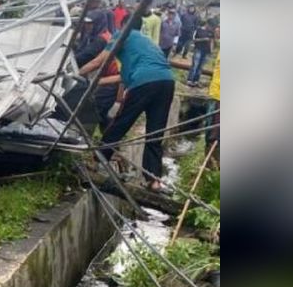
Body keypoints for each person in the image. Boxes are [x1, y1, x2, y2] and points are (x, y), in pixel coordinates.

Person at [79, 18, 175, 191]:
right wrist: (95, 82)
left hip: (144, 82)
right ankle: (154, 181)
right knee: (155, 133)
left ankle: (98, 160)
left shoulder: (122, 34)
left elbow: (98, 61)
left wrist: (75, 74)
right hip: (167, 81)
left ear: (122, 26)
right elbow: (123, 77)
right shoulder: (146, 43)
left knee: (121, 122)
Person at [70, 16, 122, 130]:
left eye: (90, 23)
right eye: (86, 23)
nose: (87, 26)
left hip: (113, 80)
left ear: (98, 23)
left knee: (94, 110)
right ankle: (105, 134)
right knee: (101, 112)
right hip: (112, 78)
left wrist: (71, 69)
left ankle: (88, 134)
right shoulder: (102, 35)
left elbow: (88, 58)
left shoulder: (101, 39)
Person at [187, 20, 214, 85]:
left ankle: (196, 80)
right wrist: (203, 39)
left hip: (206, 51)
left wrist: (211, 50)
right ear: (207, 24)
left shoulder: (211, 32)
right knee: (195, 65)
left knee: (200, 66)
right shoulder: (198, 30)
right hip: (198, 49)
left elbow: (212, 41)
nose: (211, 27)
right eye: (210, 26)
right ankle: (190, 79)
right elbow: (194, 40)